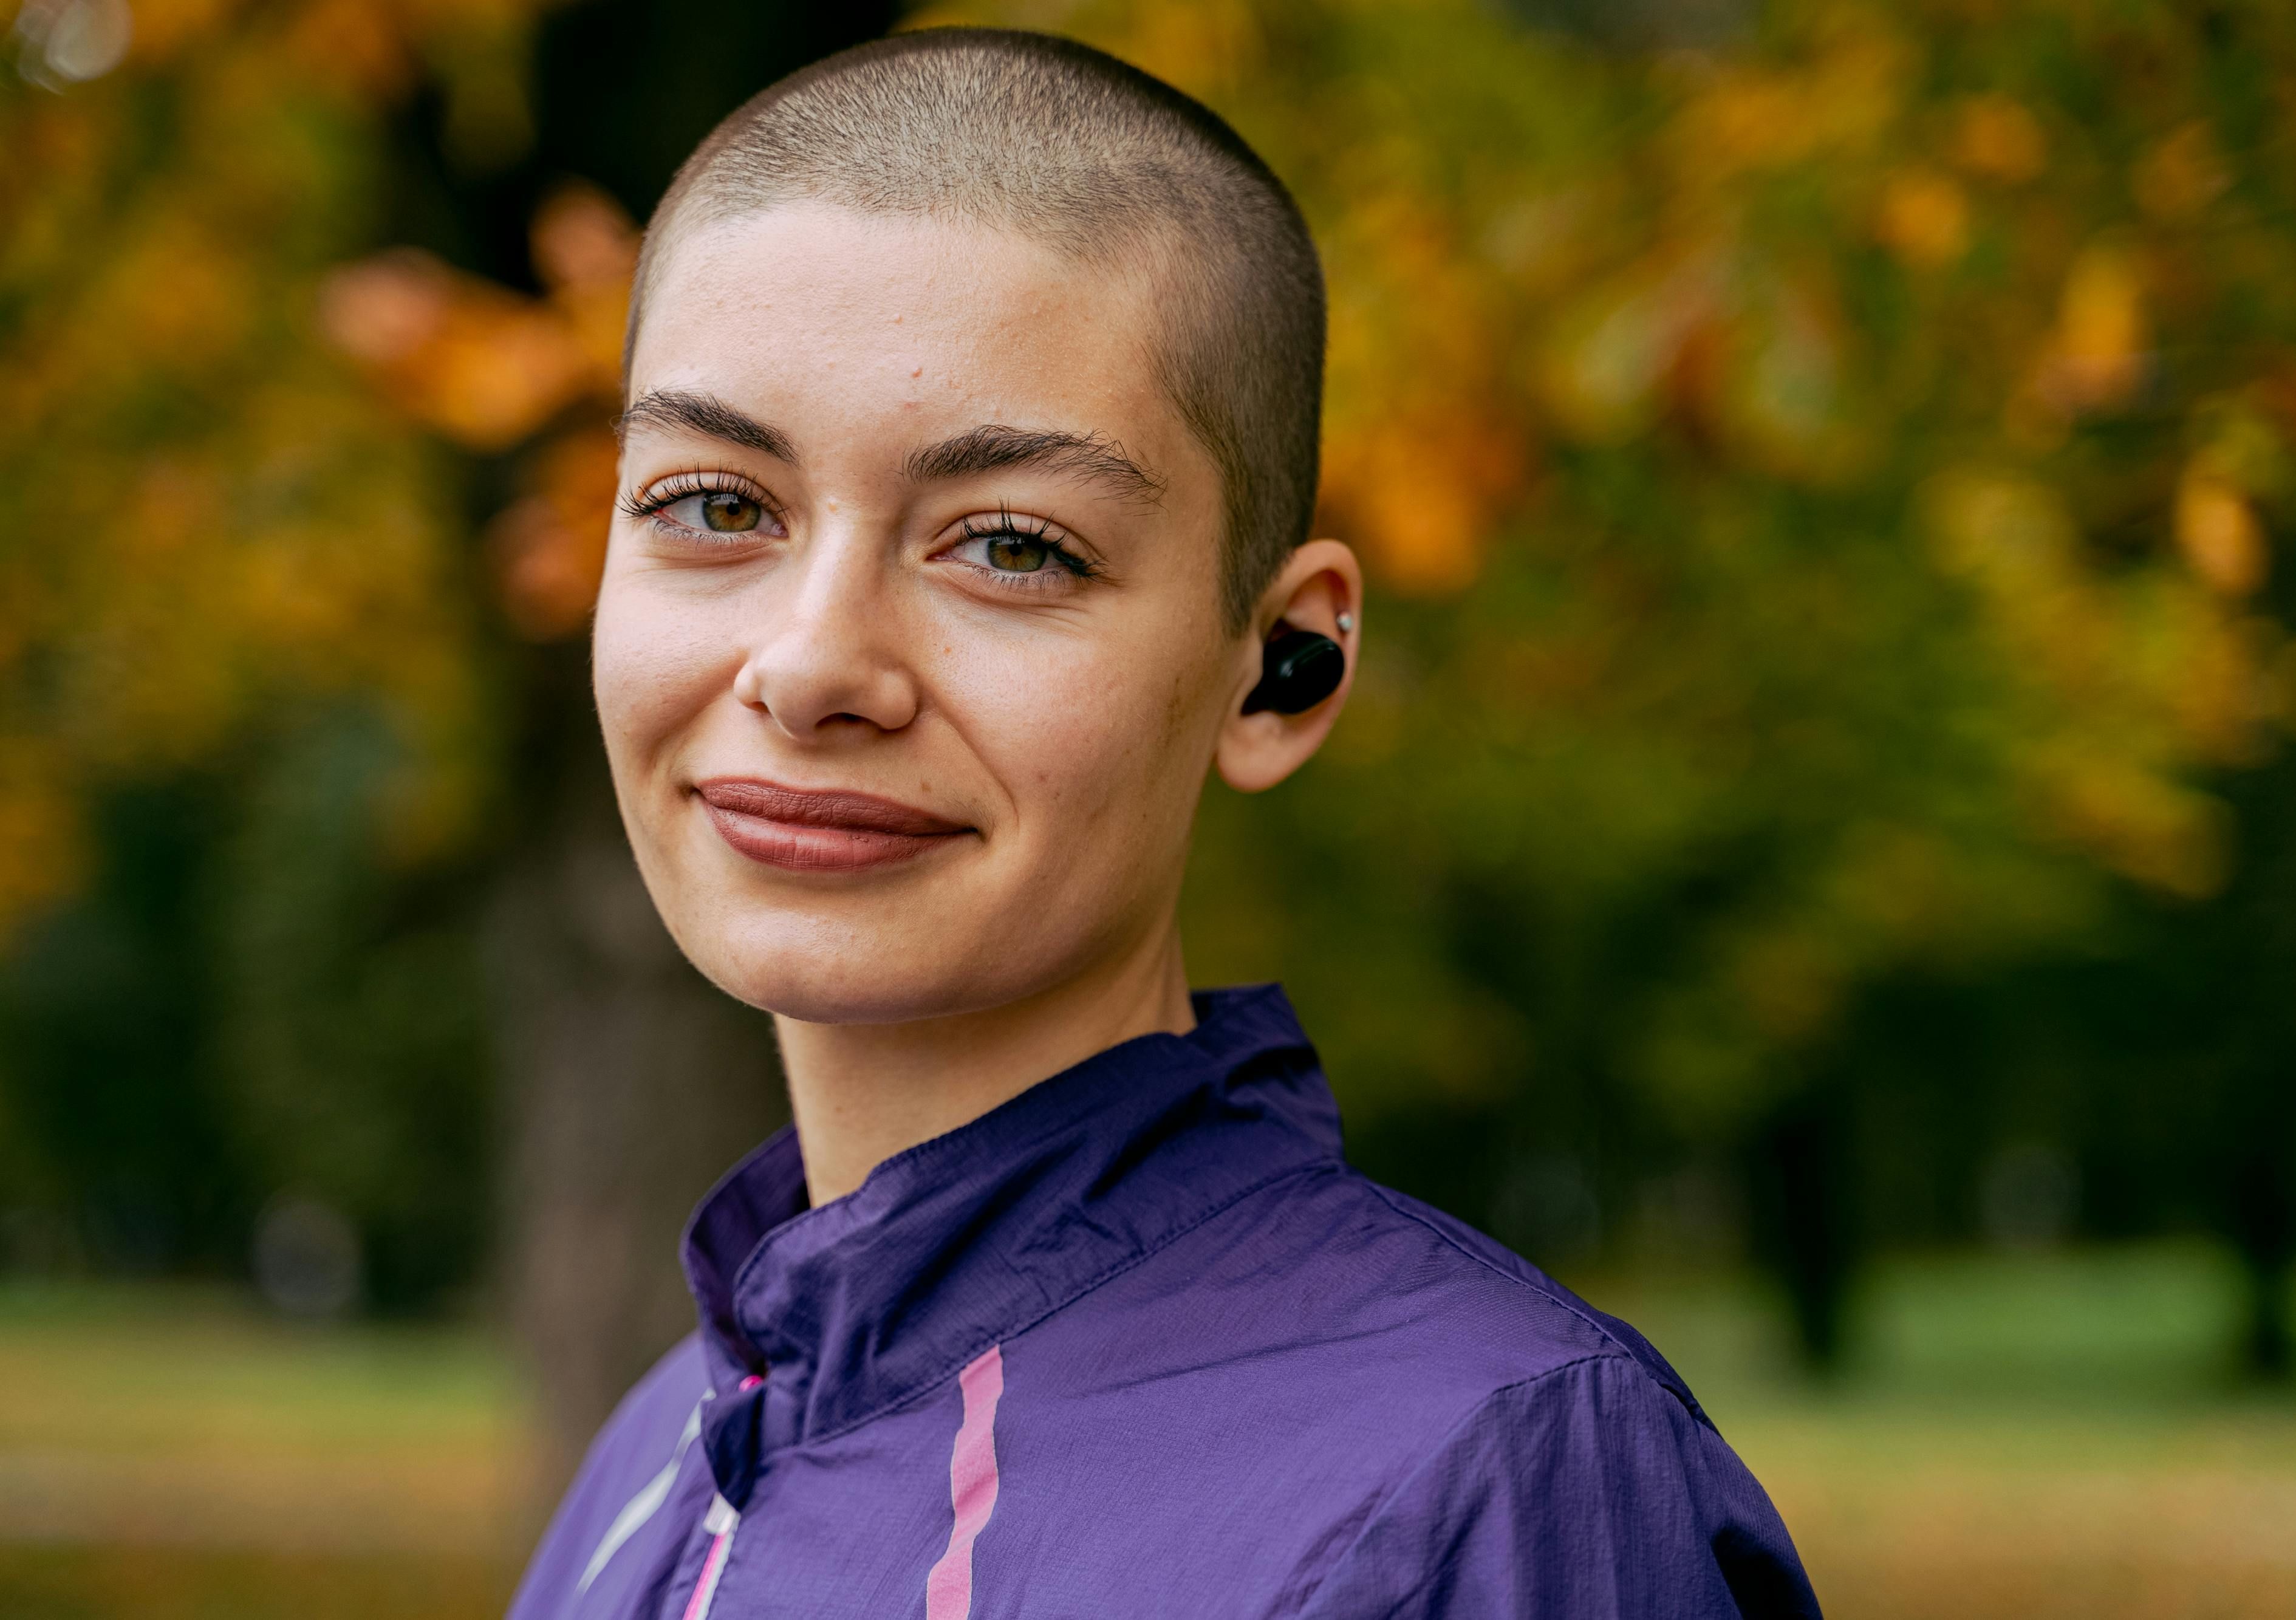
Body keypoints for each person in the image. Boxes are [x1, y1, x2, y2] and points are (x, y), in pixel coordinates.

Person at [508, 27, 1819, 1620]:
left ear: (1283, 668)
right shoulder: (661, 1451)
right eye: (716, 505)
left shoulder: (1479, 1483)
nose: (811, 667)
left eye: (1008, 545)